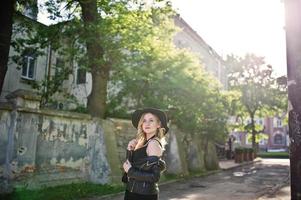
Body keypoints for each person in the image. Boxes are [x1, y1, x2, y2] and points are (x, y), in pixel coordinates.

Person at [122, 108, 169, 200]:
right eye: (144, 120)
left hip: (144, 195)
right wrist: (130, 150)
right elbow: (129, 169)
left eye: (151, 120)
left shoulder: (153, 144)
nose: (147, 124)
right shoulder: (142, 143)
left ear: (158, 124)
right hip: (132, 191)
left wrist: (130, 171)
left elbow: (154, 177)